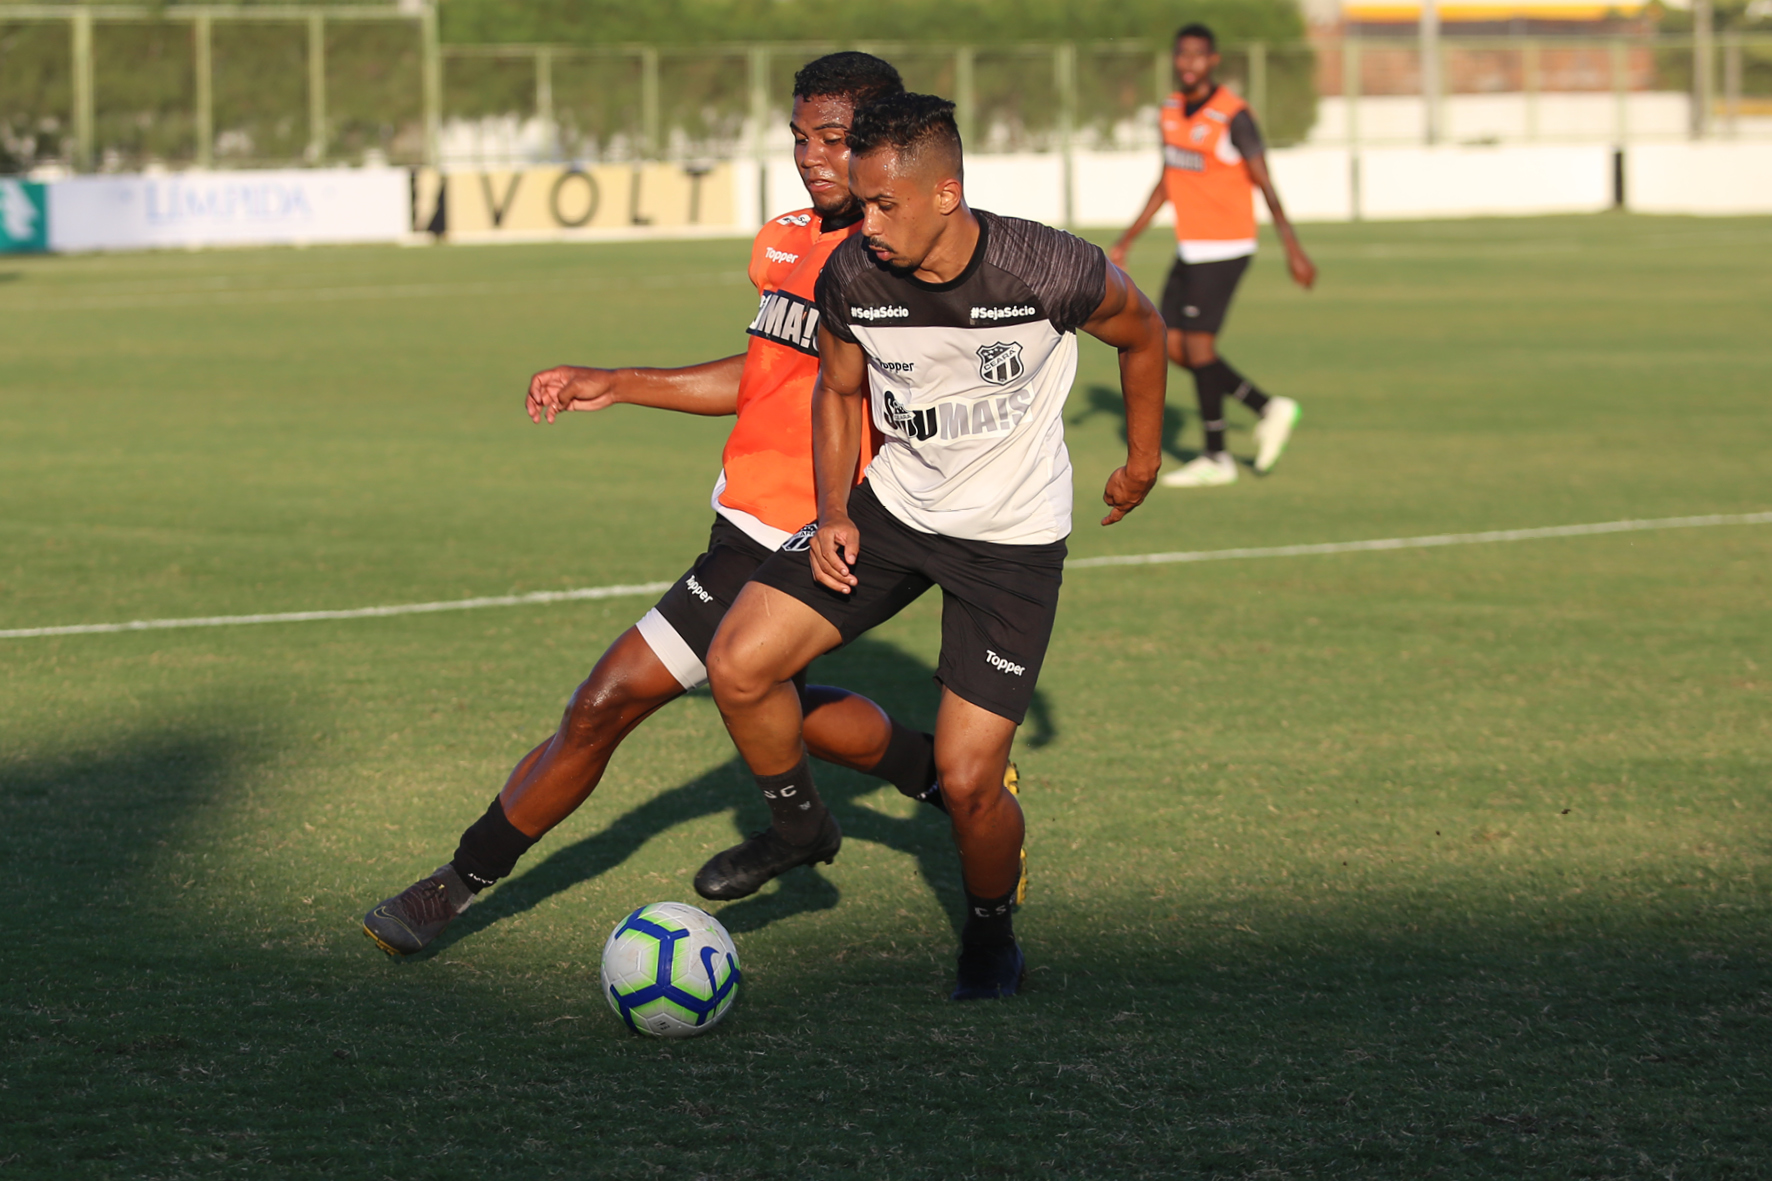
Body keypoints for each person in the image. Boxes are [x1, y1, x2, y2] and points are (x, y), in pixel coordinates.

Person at [362, 53, 976, 957]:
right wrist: (620, 381)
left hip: (823, 532)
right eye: (801, 138)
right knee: (781, 707)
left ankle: (456, 884)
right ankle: (926, 773)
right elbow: (767, 376)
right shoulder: (781, 240)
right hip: (743, 519)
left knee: (605, 702)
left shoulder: (903, 258)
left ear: (883, 141)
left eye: (834, 141)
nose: (811, 157)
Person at [700, 93, 1167, 1000]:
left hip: (1009, 547)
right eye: (860, 204)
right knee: (740, 666)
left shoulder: (1046, 266)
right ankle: (800, 831)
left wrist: (1141, 461)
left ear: (946, 192)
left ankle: (992, 929)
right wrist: (834, 508)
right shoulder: (853, 279)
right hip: (891, 515)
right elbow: (837, 395)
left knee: (969, 784)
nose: (865, 226)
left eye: (884, 206)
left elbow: (1142, 330)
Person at [1109, 22, 1316, 488]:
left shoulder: (1233, 116)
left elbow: (1265, 182)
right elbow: (1167, 182)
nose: (1188, 64)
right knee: (1170, 343)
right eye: (1182, 55)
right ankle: (1266, 408)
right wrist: (1129, 237)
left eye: (1198, 56)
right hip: (1191, 247)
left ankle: (1216, 456)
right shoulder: (1168, 113)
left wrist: (1293, 248)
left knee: (1197, 347)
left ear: (1213, 61)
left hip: (1226, 247)